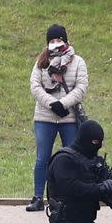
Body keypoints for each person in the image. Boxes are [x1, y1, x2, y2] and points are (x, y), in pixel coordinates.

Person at [27, 24, 88, 211]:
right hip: (45, 117)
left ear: (66, 41)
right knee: (42, 158)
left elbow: (81, 87)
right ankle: (38, 197)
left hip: (68, 118)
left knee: (70, 158)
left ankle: (68, 197)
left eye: (58, 40)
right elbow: (35, 86)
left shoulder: (78, 62)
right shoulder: (41, 61)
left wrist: (64, 104)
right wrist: (52, 103)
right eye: (52, 41)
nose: (55, 43)